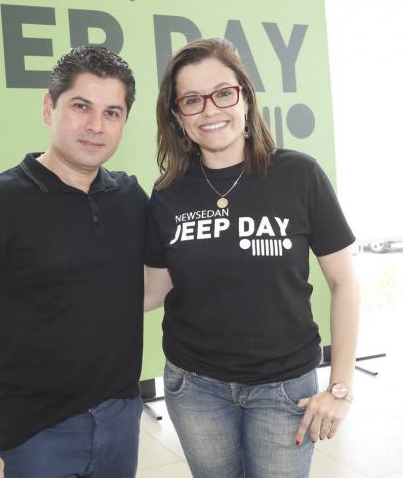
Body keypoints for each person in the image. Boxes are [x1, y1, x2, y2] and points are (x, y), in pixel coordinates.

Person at [143, 38, 360, 478]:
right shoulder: (168, 193)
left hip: (285, 387)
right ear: (177, 116)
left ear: (245, 97)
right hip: (195, 387)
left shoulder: (299, 175)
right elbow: (153, 290)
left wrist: (340, 387)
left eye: (223, 93)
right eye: (192, 100)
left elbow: (345, 283)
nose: (210, 109)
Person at [0, 46, 148, 478]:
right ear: (49, 107)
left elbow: (145, 286)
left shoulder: (129, 197)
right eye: (81, 106)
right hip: (30, 436)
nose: (96, 126)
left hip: (120, 420)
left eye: (112, 113)